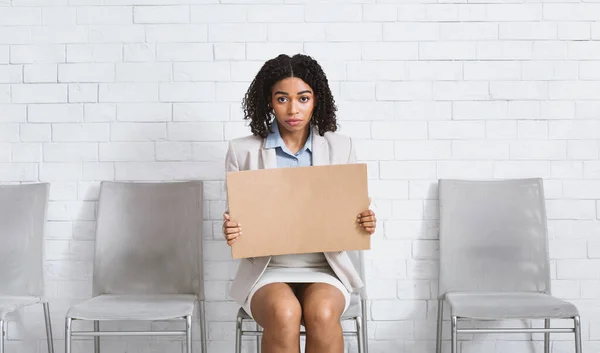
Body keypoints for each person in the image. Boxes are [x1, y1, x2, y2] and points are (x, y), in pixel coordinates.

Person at [222, 53, 377, 353]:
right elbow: (234, 218)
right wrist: (229, 230)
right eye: (282, 99)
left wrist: (366, 220)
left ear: (316, 100)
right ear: (269, 101)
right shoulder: (242, 152)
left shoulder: (340, 146)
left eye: (303, 98)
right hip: (266, 270)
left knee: (321, 313)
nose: (293, 109)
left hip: (325, 267)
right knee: (285, 313)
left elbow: (357, 207)